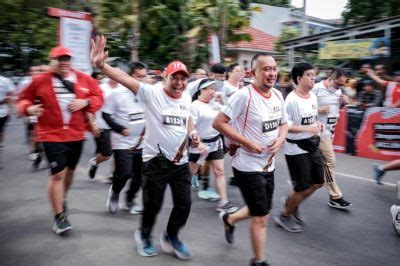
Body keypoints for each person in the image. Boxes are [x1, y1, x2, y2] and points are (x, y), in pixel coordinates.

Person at [91, 35, 205, 260]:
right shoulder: (152, 93)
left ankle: (171, 236)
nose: (180, 82)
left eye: (183, 78)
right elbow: (126, 79)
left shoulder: (186, 97)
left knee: (184, 205)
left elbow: (187, 117)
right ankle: (143, 234)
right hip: (155, 161)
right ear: (166, 76)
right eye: (175, 77)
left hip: (180, 162)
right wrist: (101, 65)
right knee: (153, 205)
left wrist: (192, 132)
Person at [17, 46, 103, 234]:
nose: (64, 62)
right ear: (52, 61)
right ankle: (59, 217)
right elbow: (22, 99)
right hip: (51, 134)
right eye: (59, 59)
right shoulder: (39, 80)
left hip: (76, 134)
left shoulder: (83, 79)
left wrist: (85, 102)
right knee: (57, 174)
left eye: (67, 59)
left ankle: (62, 198)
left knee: (69, 173)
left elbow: (98, 96)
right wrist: (29, 109)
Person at [213, 53, 288, 266]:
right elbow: (219, 123)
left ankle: (230, 218)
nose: (272, 73)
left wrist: (281, 140)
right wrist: (245, 142)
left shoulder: (277, 95)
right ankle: (259, 260)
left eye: (274, 68)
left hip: (268, 164)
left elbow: (284, 123)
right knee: (261, 216)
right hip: (247, 165)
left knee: (262, 208)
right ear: (253, 72)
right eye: (266, 69)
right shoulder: (244, 95)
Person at [274, 62, 324, 233]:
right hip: (295, 149)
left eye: (313, 74)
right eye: (309, 75)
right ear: (298, 78)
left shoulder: (312, 97)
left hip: (312, 144)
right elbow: (284, 126)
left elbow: (312, 118)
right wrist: (307, 129)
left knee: (318, 182)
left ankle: (291, 202)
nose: (313, 78)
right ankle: (284, 216)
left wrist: (317, 125)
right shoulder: (291, 100)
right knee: (301, 187)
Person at [189, 78, 238, 213]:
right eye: (211, 88)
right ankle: (181, 197)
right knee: (190, 173)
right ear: (201, 90)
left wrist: (223, 102)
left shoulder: (215, 105)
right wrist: (198, 143)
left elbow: (229, 115)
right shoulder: (195, 105)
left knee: (220, 171)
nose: (213, 91)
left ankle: (223, 202)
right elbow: (190, 125)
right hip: (199, 145)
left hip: (215, 142)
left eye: (214, 89)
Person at [312, 68, 352, 209]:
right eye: (338, 84)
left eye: (342, 85)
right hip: (319, 132)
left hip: (330, 132)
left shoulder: (339, 91)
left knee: (318, 162)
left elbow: (335, 108)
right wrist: (318, 110)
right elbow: (302, 107)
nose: (340, 87)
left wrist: (343, 103)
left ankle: (301, 180)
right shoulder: (316, 88)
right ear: (331, 77)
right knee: (330, 163)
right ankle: (335, 196)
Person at [87, 76, 116, 179]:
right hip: (102, 124)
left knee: (120, 150)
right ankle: (95, 162)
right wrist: (93, 124)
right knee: (107, 154)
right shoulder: (101, 88)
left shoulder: (123, 89)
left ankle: (112, 174)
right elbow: (90, 107)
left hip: (119, 124)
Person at [0, 73, 16, 168]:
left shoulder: (5, 80)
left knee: (0, 132)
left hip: (2, 111)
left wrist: (11, 109)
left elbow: (11, 95)